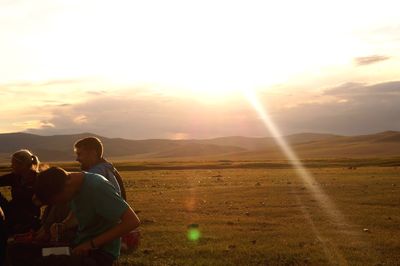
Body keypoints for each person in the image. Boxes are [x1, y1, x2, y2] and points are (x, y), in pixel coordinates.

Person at [12, 166, 140, 266]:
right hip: (78, 246)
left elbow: (132, 221)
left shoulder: (97, 187)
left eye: (58, 200)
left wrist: (92, 244)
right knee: (17, 250)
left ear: (66, 186)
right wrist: (63, 225)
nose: (60, 203)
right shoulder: (75, 188)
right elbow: (80, 214)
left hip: (100, 253)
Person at [0, 149, 41, 234]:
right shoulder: (14, 177)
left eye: (13, 163)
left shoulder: (38, 178)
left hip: (30, 216)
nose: (11, 166)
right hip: (12, 211)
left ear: (22, 165)